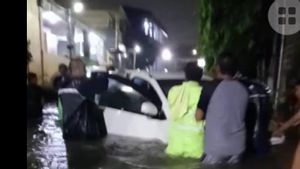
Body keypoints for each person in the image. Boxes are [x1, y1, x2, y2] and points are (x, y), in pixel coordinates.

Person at [199, 53, 249, 164]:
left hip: (216, 148)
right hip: (238, 147)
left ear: (217, 68)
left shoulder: (210, 87)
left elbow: (198, 116)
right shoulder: (244, 90)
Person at [165, 62, 205, 158]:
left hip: (174, 147)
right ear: (201, 76)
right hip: (196, 148)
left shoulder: (173, 91)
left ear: (185, 75)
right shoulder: (204, 93)